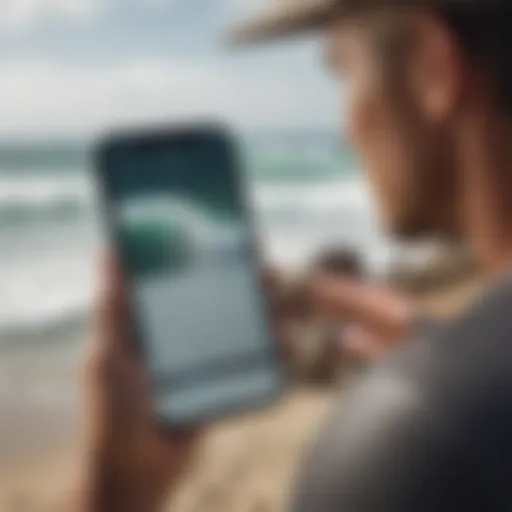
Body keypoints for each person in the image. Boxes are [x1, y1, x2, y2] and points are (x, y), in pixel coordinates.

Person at [75, 0, 512, 510]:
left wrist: (117, 489)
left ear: (431, 65)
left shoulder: (415, 445)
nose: (346, 128)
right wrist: (452, 352)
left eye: (343, 73)